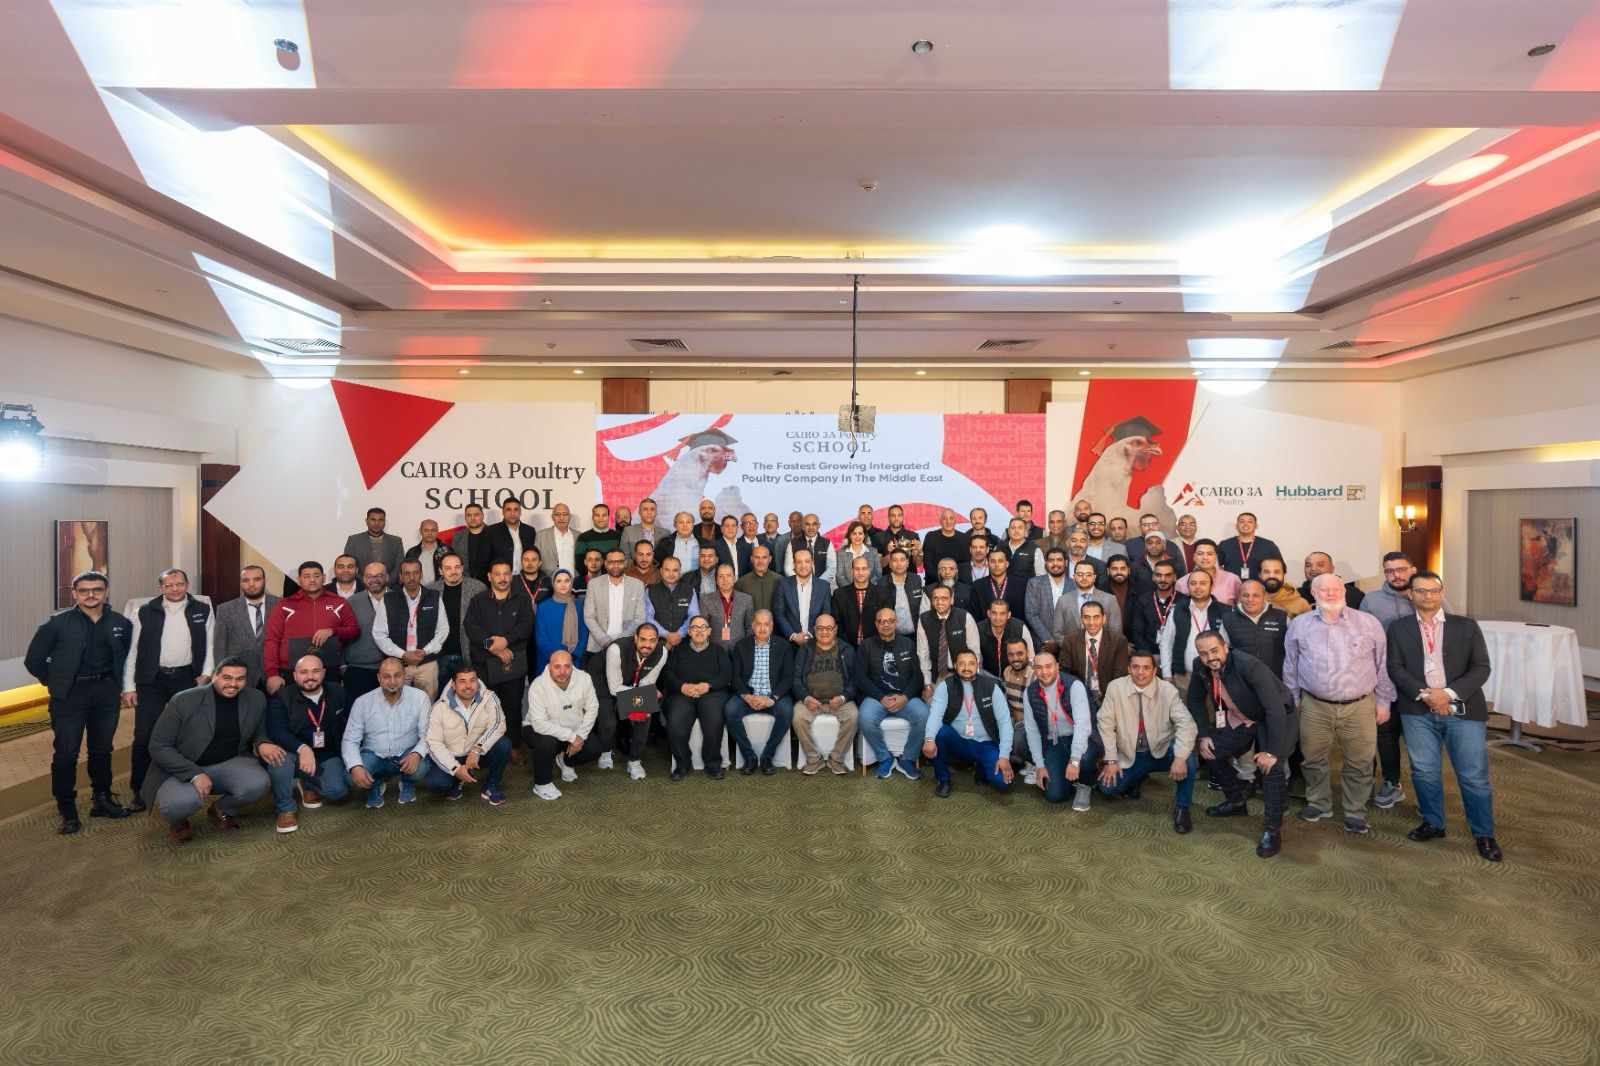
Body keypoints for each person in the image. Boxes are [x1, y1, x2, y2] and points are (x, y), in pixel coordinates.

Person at [1385, 571, 1501, 862]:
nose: (1428, 596)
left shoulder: (1466, 626)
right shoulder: (1398, 628)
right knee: (1424, 771)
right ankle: (1433, 823)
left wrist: (1447, 694)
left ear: (1442, 592)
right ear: (1410, 594)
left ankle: (1484, 833)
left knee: (1473, 776)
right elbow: (1395, 668)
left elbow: (1481, 668)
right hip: (1417, 709)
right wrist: (1427, 695)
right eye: (1421, 591)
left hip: (1462, 708)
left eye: (1434, 590)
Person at [25, 570, 135, 833]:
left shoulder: (121, 623)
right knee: (66, 753)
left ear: (106, 592)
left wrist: (119, 686)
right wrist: (55, 681)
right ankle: (67, 808)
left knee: (102, 749)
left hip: (106, 693)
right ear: (74, 593)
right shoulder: (57, 624)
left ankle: (102, 799)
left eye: (97, 590)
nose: (90, 595)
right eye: (84, 590)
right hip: (69, 695)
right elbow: (33, 660)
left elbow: (127, 656)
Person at [1285, 573, 1394, 836]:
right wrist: (1293, 702)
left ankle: (1355, 811)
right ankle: (1319, 803)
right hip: (1314, 706)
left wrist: (1384, 702)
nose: (1331, 593)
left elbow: (1383, 665)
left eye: (1336, 589)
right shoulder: (1299, 625)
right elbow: (1290, 666)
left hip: (1360, 706)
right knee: (1313, 759)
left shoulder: (1368, 623)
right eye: (1323, 589)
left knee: (1360, 762)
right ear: (1313, 593)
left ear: (1344, 592)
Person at [145, 658, 284, 843]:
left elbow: (258, 732)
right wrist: (194, 774)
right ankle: (179, 820)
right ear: (214, 676)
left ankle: (221, 809)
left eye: (240, 679)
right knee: (179, 803)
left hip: (228, 762)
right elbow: (159, 746)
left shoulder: (256, 698)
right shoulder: (183, 700)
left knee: (258, 783)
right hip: (182, 767)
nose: (233, 684)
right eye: (227, 677)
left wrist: (262, 742)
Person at [1187, 633, 1295, 858]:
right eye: (1204, 653)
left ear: (1225, 647)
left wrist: (1271, 752)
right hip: (1242, 716)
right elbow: (1195, 700)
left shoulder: (1249, 665)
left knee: (1271, 769)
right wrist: (1204, 734)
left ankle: (1272, 830)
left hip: (1274, 716)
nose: (1210, 657)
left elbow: (1274, 708)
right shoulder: (1199, 666)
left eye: (1214, 650)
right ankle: (1236, 801)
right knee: (1210, 751)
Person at [122, 567, 215, 805]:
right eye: (169, 585)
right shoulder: (144, 611)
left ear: (187, 585)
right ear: (160, 587)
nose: (175, 589)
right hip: (151, 680)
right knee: (144, 735)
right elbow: (132, 649)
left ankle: (183, 780)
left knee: (187, 733)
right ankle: (140, 789)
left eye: (179, 584)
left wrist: (206, 674)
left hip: (187, 678)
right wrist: (129, 686)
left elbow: (210, 643)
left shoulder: (202, 609)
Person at [1095, 651, 1198, 834]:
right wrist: (1111, 759)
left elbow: (1187, 724)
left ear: (1154, 670)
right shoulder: (1115, 688)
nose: (1140, 672)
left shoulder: (1167, 690)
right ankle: (1138, 777)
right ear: (1129, 669)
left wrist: (1180, 757)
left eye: (1146, 668)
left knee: (1189, 759)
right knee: (1107, 788)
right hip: (1129, 753)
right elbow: (1105, 724)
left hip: (1161, 750)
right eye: (1135, 667)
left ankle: (1182, 808)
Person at [1361, 551, 1430, 811]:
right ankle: (1392, 783)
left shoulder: (1428, 595)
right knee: (1385, 734)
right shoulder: (1371, 600)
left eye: (1401, 569)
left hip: (1421, 680)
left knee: (1420, 737)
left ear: (1413, 569)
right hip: (1383, 679)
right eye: (1389, 571)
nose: (1396, 575)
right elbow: (1362, 640)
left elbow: (1446, 631)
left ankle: (1428, 793)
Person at [264, 654, 351, 831]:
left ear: (323, 673)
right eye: (303, 672)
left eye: (315, 671)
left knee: (337, 792)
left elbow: (353, 722)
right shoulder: (281, 697)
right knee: (278, 760)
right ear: (295, 675)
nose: (310, 677)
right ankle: (285, 808)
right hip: (292, 752)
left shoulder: (338, 692)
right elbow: (277, 731)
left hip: (327, 753)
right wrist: (302, 748)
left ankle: (306, 782)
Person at [342, 657, 432, 808]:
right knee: (351, 777)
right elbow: (350, 740)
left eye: (397, 675)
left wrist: (417, 754)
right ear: (379, 678)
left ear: (404, 676)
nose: (392, 681)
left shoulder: (420, 698)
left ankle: (407, 781)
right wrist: (356, 766)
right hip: (374, 754)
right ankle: (375, 783)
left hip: (406, 754)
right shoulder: (362, 702)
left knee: (420, 768)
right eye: (386, 676)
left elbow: (428, 734)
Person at [468, 561, 537, 759]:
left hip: (512, 663)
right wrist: (493, 646)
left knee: (512, 706)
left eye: (506, 574)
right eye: (497, 574)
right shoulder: (478, 601)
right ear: (489, 577)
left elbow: (526, 626)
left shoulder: (522, 600)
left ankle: (514, 746)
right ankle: (486, 748)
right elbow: (471, 628)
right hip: (484, 663)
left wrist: (506, 641)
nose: (502, 578)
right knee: (485, 707)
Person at [923, 649, 1014, 799]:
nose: (966, 668)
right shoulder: (946, 686)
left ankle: (981, 768)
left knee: (1003, 783)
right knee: (941, 733)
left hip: (986, 743)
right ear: (955, 665)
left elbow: (1005, 722)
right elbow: (935, 715)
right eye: (962, 664)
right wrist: (929, 739)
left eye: (971, 663)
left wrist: (1004, 756)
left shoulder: (991, 686)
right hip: (959, 741)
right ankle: (943, 779)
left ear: (977, 665)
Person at [262, 560, 359, 695]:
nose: (312, 580)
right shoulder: (284, 605)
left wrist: (333, 631)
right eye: (307, 576)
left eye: (316, 576)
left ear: (324, 578)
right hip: (292, 670)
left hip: (328, 669)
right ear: (299, 579)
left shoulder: (339, 602)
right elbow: (272, 640)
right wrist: (272, 673)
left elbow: (354, 630)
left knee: (330, 707)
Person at [422, 663, 512, 805]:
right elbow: (433, 743)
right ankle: (457, 780)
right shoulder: (439, 707)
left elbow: (498, 724)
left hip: (477, 754)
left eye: (472, 680)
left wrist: (477, 749)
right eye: (462, 681)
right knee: (435, 783)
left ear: (477, 681)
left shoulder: (489, 697)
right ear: (453, 685)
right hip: (453, 756)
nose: (468, 686)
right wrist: (455, 769)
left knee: (503, 744)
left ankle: (491, 785)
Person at [857, 606, 928, 781]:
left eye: (890, 621)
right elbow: (860, 678)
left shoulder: (908, 644)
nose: (886, 624)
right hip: (877, 697)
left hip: (903, 696)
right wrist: (880, 697)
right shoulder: (866, 646)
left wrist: (905, 697)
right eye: (882, 621)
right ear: (876, 624)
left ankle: (908, 759)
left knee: (924, 715)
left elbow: (917, 676)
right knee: (865, 718)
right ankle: (884, 758)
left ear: (896, 623)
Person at [1022, 650, 1097, 810]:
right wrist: (1040, 765)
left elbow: (1082, 726)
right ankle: (1068, 779)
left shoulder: (1074, 685)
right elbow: (1032, 731)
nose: (1044, 672)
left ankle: (1085, 784)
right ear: (1034, 670)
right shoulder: (1029, 693)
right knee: (1055, 795)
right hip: (1054, 741)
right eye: (1039, 668)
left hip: (1080, 737)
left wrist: (1074, 760)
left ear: (1057, 666)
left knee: (1085, 758)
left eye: (1048, 666)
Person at [523, 650, 602, 801]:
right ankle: (542, 784)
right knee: (547, 743)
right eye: (557, 667)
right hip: (539, 729)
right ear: (549, 666)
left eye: (567, 666)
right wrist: (572, 737)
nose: (562, 671)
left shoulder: (584, 678)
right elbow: (539, 724)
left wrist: (580, 736)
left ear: (572, 666)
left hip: (573, 729)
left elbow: (593, 708)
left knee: (594, 748)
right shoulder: (538, 685)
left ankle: (565, 760)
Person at [662, 616, 734, 780]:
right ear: (689, 631)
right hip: (683, 694)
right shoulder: (678, 650)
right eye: (695, 627)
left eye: (703, 627)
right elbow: (668, 674)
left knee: (714, 719)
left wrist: (708, 686)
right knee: (675, 721)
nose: (699, 631)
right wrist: (682, 687)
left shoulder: (718, 650)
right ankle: (683, 764)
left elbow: (726, 674)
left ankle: (713, 764)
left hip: (711, 693)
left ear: (709, 631)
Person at [726, 609, 796, 775]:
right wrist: (747, 696)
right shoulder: (741, 646)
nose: (762, 628)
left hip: (773, 696)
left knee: (787, 711)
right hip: (748, 695)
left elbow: (788, 678)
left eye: (766, 624)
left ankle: (767, 757)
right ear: (752, 625)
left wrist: (772, 698)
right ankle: (749, 756)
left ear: (772, 626)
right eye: (758, 624)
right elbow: (735, 677)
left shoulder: (784, 646)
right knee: (730, 710)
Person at [372, 558, 449, 700]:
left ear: (421, 574)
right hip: (398, 665)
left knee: (427, 704)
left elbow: (443, 630)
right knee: (396, 703)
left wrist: (425, 651)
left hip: (427, 663)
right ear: (401, 577)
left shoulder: (434, 597)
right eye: (407, 573)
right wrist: (402, 654)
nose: (412, 577)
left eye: (415, 573)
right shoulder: (389, 599)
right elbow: (379, 634)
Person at [791, 614, 859, 775]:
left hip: (839, 701)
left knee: (853, 716)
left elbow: (855, 680)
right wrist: (806, 698)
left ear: (835, 629)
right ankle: (814, 759)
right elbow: (795, 679)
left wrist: (843, 697)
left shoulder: (847, 649)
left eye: (828, 628)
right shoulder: (805, 649)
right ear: (814, 630)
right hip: (812, 702)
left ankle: (837, 759)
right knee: (797, 716)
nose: (824, 632)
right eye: (820, 628)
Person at [602, 622, 667, 780]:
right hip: (604, 685)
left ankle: (634, 760)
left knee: (645, 709)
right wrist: (647, 694)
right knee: (609, 723)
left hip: (630, 687)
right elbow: (614, 688)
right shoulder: (616, 649)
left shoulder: (662, 652)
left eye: (652, 640)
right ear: (635, 638)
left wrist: (647, 696)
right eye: (643, 639)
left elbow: (647, 681)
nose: (647, 645)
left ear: (657, 640)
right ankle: (606, 751)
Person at [582, 550, 648, 689]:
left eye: (619, 561)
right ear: (605, 564)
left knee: (624, 689)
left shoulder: (637, 585)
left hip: (627, 647)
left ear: (625, 563)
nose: (615, 565)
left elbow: (640, 618)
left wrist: (619, 642)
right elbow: (589, 616)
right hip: (598, 646)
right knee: (598, 689)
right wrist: (605, 641)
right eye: (611, 562)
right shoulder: (594, 584)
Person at [212, 564, 279, 691]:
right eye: (246, 580)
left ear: (264, 581)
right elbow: (219, 647)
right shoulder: (225, 609)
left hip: (274, 677)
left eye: (257, 579)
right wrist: (221, 675)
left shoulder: (281, 605)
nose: (251, 584)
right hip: (238, 679)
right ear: (240, 583)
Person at [1163, 567, 1226, 689]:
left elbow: (1227, 644)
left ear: (1211, 586)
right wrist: (1167, 674)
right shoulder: (1177, 610)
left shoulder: (1224, 611)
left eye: (1203, 583)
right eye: (1193, 583)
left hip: (1217, 676)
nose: (1197, 587)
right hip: (1184, 677)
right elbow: (1166, 643)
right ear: (1188, 587)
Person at [1061, 601, 1130, 710]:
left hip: (1110, 698)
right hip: (1079, 698)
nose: (1091, 622)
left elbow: (1119, 676)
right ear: (1081, 619)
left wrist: (1106, 701)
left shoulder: (1118, 641)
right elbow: (1065, 674)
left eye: (1096, 617)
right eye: (1087, 617)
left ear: (1104, 619)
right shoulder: (1070, 641)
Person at [340, 561, 390, 703]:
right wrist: (343, 665)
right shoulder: (351, 602)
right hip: (359, 669)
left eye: (379, 575)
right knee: (359, 711)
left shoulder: (399, 598)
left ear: (387, 577)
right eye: (369, 576)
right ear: (363, 578)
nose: (374, 580)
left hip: (392, 668)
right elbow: (342, 634)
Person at [916, 584, 980, 692]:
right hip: (937, 675)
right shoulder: (924, 620)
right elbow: (923, 653)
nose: (939, 602)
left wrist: (974, 678)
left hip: (963, 673)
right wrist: (927, 683)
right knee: (933, 701)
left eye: (944, 598)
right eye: (936, 598)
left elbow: (975, 651)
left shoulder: (965, 617)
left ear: (952, 600)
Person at [1221, 579, 1290, 678]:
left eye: (1256, 595)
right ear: (1239, 597)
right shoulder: (1228, 619)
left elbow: (1292, 653)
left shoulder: (1282, 617)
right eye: (1245, 595)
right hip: (1241, 680)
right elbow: (1223, 653)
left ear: (1264, 597)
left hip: (1275, 680)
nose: (1250, 599)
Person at [429, 553, 487, 665]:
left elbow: (486, 624)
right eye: (448, 568)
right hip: (439, 656)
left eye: (457, 567)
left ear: (462, 568)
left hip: (470, 655)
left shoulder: (478, 588)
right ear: (440, 571)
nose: (453, 571)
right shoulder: (430, 591)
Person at [1051, 559, 1121, 648]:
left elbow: (1116, 631)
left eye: (1088, 575)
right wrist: (1074, 649)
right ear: (1074, 577)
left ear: (1094, 577)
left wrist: (1097, 649)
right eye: (1080, 575)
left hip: (1103, 652)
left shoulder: (1110, 600)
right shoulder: (1063, 600)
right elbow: (1057, 633)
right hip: (1072, 653)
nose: (1084, 578)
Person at [774, 547, 828, 647]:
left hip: (816, 642)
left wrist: (810, 634)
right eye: (799, 562)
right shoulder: (783, 584)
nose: (803, 566)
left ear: (812, 563)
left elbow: (825, 614)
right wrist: (793, 636)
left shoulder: (824, 586)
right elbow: (779, 613)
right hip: (789, 644)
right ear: (794, 564)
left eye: (807, 561)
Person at [832, 554, 886, 647]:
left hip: (875, 646)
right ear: (852, 571)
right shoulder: (839, 594)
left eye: (864, 569)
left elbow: (884, 622)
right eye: (857, 569)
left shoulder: (882, 593)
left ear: (869, 571)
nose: (860, 572)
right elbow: (837, 623)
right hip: (847, 647)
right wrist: (846, 645)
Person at [1129, 558, 1179, 655]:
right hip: (1150, 655)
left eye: (1168, 575)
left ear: (1175, 577)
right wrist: (1149, 656)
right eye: (1158, 575)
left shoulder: (1184, 601)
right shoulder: (1142, 601)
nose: (1163, 579)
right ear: (1153, 577)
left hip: (1176, 655)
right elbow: (1137, 633)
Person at [645, 556, 698, 648]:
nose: (671, 574)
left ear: (680, 572)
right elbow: (647, 617)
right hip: (657, 641)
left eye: (675, 570)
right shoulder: (650, 590)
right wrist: (666, 634)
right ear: (661, 571)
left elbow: (694, 616)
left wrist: (680, 633)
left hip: (685, 641)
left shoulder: (689, 590)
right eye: (667, 570)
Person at [1024, 547, 1072, 649]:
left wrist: (1063, 640)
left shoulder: (1074, 585)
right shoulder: (1034, 583)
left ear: (1066, 563)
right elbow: (1031, 614)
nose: (1055, 564)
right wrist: (1048, 639)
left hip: (1068, 644)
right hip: (1042, 643)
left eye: (1059, 560)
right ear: (1046, 563)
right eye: (1051, 560)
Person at [343, 508, 403, 586]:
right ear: (366, 521)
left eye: (380, 520)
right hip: (361, 587)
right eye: (373, 520)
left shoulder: (396, 541)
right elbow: (349, 565)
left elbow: (399, 566)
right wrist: (365, 581)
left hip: (389, 587)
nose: (377, 523)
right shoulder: (354, 540)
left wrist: (387, 582)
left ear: (384, 522)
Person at [878, 546, 926, 640]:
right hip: (892, 635)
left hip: (916, 634)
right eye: (895, 560)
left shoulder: (916, 580)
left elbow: (923, 607)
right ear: (890, 564)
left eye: (902, 560)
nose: (899, 564)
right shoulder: (882, 583)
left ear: (907, 563)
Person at [1217, 512, 1282, 581]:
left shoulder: (1268, 545)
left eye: (1250, 522)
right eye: (1242, 521)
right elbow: (1215, 565)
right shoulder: (1225, 544)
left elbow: (1281, 567)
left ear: (1256, 526)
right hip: (1232, 586)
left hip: (1259, 586)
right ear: (1236, 526)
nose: (1246, 524)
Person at [977, 599, 1033, 678]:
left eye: (1002, 614)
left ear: (1009, 615)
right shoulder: (979, 629)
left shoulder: (1020, 627)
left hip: (1015, 676)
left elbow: (1031, 657)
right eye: (994, 613)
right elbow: (976, 659)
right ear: (989, 613)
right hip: (987, 677)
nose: (998, 618)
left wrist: (1025, 678)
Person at [970, 547, 1029, 621]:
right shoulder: (978, 586)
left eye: (1000, 561)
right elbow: (975, 616)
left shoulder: (1021, 585)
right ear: (988, 564)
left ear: (1007, 564)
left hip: (1015, 627)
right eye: (993, 561)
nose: (996, 565)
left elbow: (1026, 613)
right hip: (986, 627)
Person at [704, 563, 754, 649]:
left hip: (740, 648)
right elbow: (703, 627)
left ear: (734, 578)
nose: (725, 579)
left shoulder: (746, 599)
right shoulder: (706, 600)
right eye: (721, 576)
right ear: (716, 580)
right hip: (714, 649)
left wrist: (746, 647)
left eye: (728, 576)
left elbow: (750, 626)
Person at [1176, 539, 1240, 605]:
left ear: (1216, 557)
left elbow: (1241, 607)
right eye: (1200, 554)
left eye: (1209, 554)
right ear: (1194, 557)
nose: (1205, 557)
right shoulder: (1181, 583)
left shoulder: (1232, 580)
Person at [1300, 551, 1365, 610]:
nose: (1313, 569)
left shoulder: (1353, 594)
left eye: (1320, 565)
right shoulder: (1298, 596)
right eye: (1308, 565)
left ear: (1332, 569)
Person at [490, 497, 540, 573]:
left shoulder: (529, 531)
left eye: (516, 509)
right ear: (503, 512)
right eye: (508, 510)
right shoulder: (492, 531)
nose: (512, 513)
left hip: (524, 577)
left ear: (520, 512)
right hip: (502, 577)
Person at [783, 513, 835, 583]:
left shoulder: (827, 543)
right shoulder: (792, 544)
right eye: (807, 524)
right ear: (802, 526)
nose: (811, 528)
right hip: (799, 585)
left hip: (822, 584)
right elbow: (788, 569)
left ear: (819, 525)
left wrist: (818, 583)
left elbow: (832, 568)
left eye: (814, 524)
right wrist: (801, 582)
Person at [920, 508, 970, 582]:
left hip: (958, 582)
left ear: (955, 521)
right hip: (935, 582)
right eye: (944, 519)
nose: (948, 522)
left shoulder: (964, 538)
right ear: (940, 521)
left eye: (951, 518)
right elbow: (928, 564)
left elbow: (965, 565)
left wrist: (953, 582)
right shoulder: (931, 537)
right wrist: (943, 581)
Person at [835, 520, 882, 589]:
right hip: (848, 591)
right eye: (854, 534)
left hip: (870, 591)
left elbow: (878, 573)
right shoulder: (841, 553)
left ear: (864, 535)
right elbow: (840, 576)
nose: (857, 536)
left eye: (860, 533)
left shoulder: (873, 551)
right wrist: (851, 590)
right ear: (849, 535)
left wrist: (866, 587)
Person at [735, 544, 781, 615]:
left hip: (775, 622)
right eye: (757, 557)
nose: (760, 561)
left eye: (764, 557)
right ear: (751, 559)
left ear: (770, 559)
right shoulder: (741, 583)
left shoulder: (780, 581)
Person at [455, 502, 493, 584]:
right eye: (469, 515)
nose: (473, 518)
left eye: (476, 515)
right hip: (465, 583)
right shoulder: (457, 537)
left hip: (490, 583)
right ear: (465, 517)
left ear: (482, 516)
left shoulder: (494, 534)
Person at [404, 518, 450, 586]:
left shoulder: (447, 550)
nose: (430, 533)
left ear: (437, 531)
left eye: (433, 530)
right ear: (420, 531)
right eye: (426, 530)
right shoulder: (412, 552)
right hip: (418, 590)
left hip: (441, 589)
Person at [656, 511, 703, 576]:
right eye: (681, 522)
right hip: (673, 580)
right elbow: (657, 564)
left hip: (697, 580)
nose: (685, 525)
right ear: (675, 525)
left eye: (688, 522)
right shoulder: (665, 543)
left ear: (693, 525)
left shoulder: (702, 542)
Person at [1103, 555, 1133, 636]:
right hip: (1108, 638)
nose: (1119, 572)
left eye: (1123, 568)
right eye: (1114, 569)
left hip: (1133, 639)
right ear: (1108, 571)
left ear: (1129, 570)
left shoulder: (1138, 590)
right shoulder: (1100, 590)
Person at [714, 514, 750, 578]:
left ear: (737, 528)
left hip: (742, 583)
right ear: (721, 529)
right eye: (727, 526)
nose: (730, 529)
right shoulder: (714, 546)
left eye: (733, 526)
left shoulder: (746, 546)